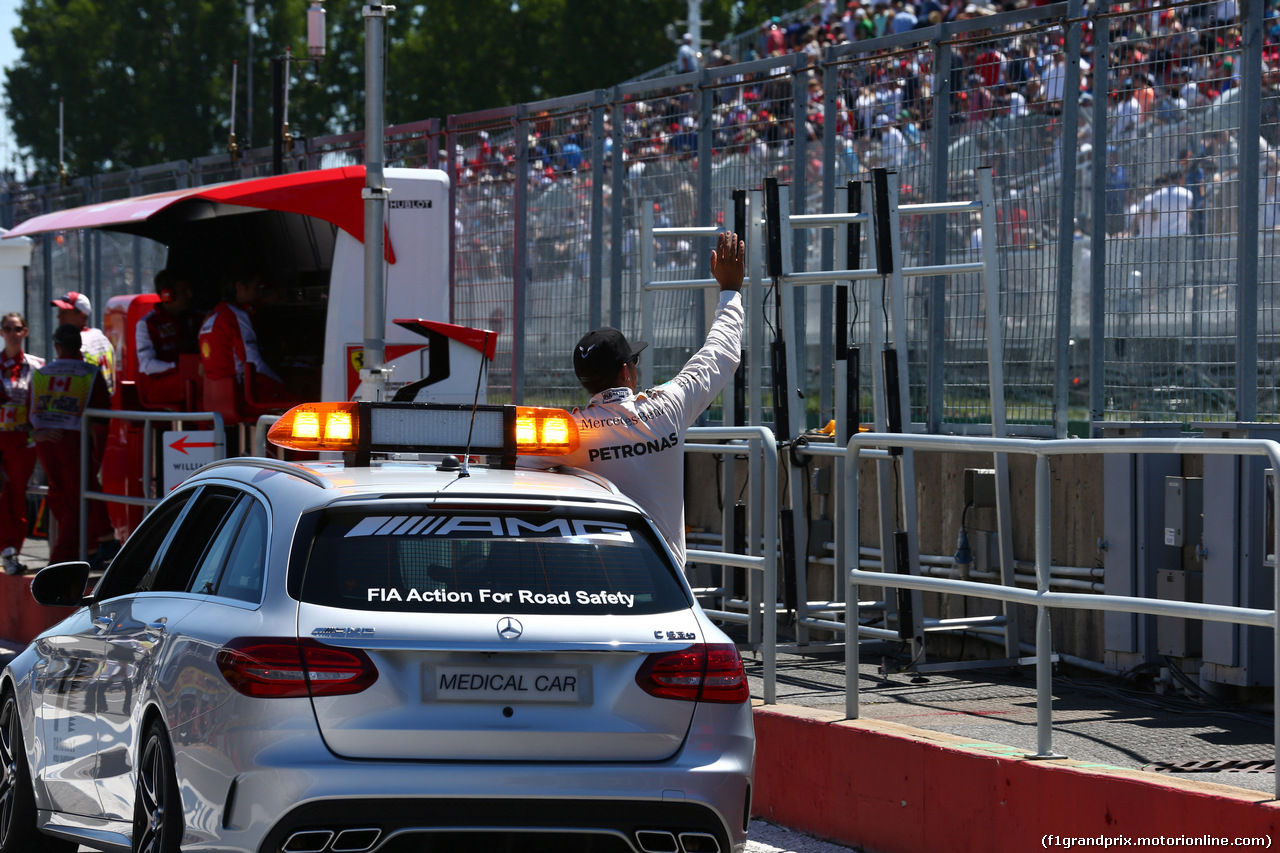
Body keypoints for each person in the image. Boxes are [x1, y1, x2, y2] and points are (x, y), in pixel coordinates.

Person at [527, 230, 745, 567]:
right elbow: (721, 354)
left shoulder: (568, 433)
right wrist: (730, 290)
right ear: (627, 372)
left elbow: (512, 472)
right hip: (661, 584)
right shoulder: (668, 406)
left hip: (590, 579)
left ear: (585, 381)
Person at [30, 324, 117, 568]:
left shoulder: (42, 372)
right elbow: (102, 414)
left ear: (56, 345)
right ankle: (85, 547)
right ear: (79, 345)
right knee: (79, 496)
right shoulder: (90, 372)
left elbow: (30, 410)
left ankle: (79, 551)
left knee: (62, 495)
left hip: (46, 439)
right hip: (75, 440)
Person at [198, 268, 293, 402]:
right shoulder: (236, 317)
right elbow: (255, 364)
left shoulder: (210, 317)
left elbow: (201, 371)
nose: (259, 293)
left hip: (216, 400)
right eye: (257, 288)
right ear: (240, 287)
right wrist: (284, 386)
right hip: (241, 397)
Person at [0, 313, 43, 574]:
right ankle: (8, 549)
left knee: (16, 497)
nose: (13, 333)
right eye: (8, 329)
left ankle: (12, 550)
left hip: (23, 442)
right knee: (2, 494)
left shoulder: (38, 365)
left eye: (17, 329)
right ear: (2, 332)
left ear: (25, 332)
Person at [136, 268, 202, 406]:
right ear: (167, 295)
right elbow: (147, 365)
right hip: (158, 385)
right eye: (184, 291)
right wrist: (180, 367)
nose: (190, 295)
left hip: (188, 378)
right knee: (202, 380)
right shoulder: (147, 324)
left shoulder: (194, 318)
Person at [52, 290, 116, 396]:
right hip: (104, 403)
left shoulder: (77, 343)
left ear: (81, 316)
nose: (59, 317)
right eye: (59, 312)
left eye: (65, 313)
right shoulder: (101, 337)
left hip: (85, 402)